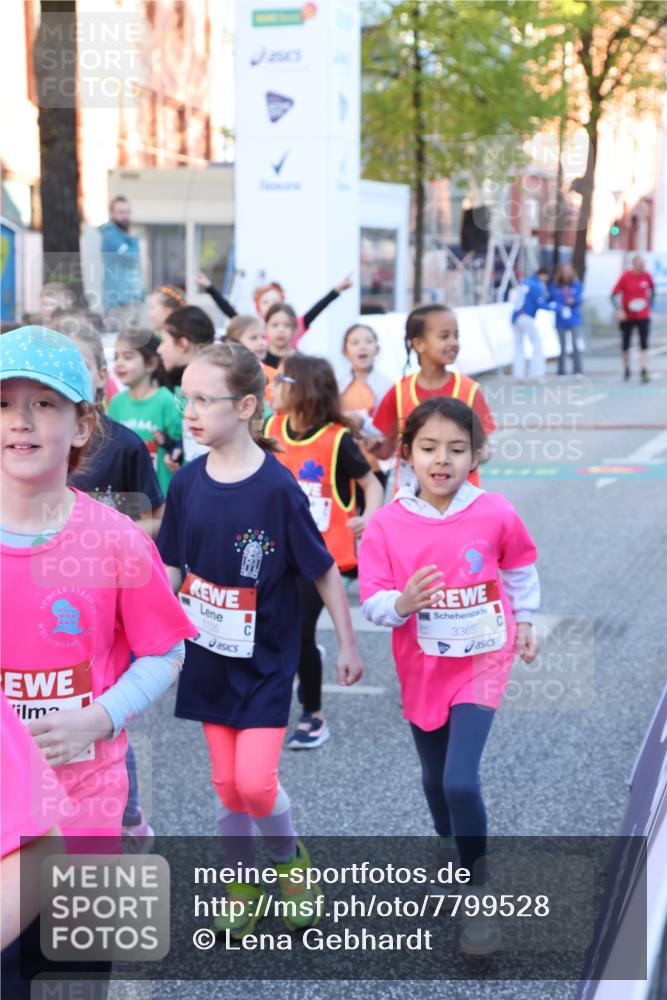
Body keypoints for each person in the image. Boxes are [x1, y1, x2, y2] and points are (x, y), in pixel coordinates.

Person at [156, 340, 363, 937]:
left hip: (269, 658)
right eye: (183, 397)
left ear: (246, 406)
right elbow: (170, 568)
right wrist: (134, 622)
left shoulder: (276, 487)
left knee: (255, 782)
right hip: (208, 657)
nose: (190, 411)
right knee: (225, 784)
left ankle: (291, 863)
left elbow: (322, 567)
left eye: (203, 399)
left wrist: (347, 645)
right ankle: (241, 882)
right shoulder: (188, 484)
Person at [0, 325, 195, 847]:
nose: (19, 421)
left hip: (85, 793)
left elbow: (167, 651)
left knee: (71, 928)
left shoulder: (116, 540)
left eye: (43, 403)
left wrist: (100, 718)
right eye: (2, 404)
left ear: (82, 424)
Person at [358, 396, 540, 955]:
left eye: (457, 449)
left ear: (475, 454)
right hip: (423, 663)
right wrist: (403, 601)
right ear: (406, 455)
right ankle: (448, 845)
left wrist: (526, 621)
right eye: (430, 448)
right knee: (435, 779)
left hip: (484, 656)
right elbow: (373, 602)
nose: (443, 460)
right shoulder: (387, 525)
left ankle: (478, 897)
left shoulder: (495, 511)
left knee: (461, 779)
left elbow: (519, 565)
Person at [265, 355, 383, 749]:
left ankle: (313, 715)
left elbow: (372, 484)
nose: (273, 385)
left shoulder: (336, 438)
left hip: (318, 555)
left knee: (298, 629)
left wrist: (370, 516)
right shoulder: (270, 428)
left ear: (302, 387)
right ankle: (293, 668)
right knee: (275, 628)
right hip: (275, 549)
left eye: (280, 378)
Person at [51, 316, 165, 538]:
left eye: (79, 367)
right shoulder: (22, 439)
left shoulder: (126, 445)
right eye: (54, 369)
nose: (65, 378)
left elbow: (155, 518)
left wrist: (105, 537)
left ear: (102, 376)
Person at [371, 305, 495, 492]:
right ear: (419, 344)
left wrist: (469, 454)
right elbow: (385, 451)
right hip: (412, 499)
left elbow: (484, 449)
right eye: (444, 336)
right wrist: (370, 445)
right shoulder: (398, 392)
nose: (453, 342)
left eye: (456, 336)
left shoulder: (469, 390)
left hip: (461, 498)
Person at [109, 328, 183, 495]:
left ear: (151, 364)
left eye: (127, 357)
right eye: (116, 357)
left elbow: (179, 447)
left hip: (161, 494)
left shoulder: (167, 400)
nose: (119, 363)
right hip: (128, 496)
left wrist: (170, 445)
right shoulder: (116, 403)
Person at [195, 271, 354, 343]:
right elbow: (229, 311)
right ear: (258, 308)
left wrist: (337, 290)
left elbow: (316, 310)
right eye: (265, 302)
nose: (280, 329)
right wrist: (209, 287)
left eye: (275, 301)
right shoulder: (252, 327)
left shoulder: (295, 325)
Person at [156, 305, 216, 466]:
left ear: (183, 344)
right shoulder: (183, 384)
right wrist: (178, 448)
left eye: (164, 341)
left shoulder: (216, 387)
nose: (159, 349)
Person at [338, 322, 393, 488]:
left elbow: (392, 426)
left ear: (377, 349)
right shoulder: (337, 386)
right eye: (355, 343)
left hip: (375, 461)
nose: (362, 347)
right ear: (345, 352)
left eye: (368, 341)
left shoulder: (388, 387)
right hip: (344, 457)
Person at [99, 195, 144, 330]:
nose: (125, 216)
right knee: (123, 344)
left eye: (127, 212)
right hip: (119, 303)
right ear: (112, 214)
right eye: (120, 212)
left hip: (131, 299)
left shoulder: (123, 235)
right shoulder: (111, 236)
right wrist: (134, 238)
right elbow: (133, 257)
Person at [611, 254, 656, 383]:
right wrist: (619, 310)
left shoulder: (647, 276)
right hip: (628, 315)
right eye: (639, 265)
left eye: (643, 265)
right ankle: (626, 368)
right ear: (634, 265)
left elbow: (653, 290)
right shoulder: (625, 277)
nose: (642, 267)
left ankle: (644, 369)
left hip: (643, 315)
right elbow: (613, 295)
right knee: (626, 343)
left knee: (644, 342)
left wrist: (650, 306)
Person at [511, 267, 548, 380]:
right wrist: (557, 308)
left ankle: (518, 374)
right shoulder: (536, 286)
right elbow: (540, 303)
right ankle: (537, 372)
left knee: (518, 346)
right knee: (537, 344)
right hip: (526, 316)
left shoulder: (523, 283)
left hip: (515, 317)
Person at [548, 264, 584, 376]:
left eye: (568, 271)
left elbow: (580, 299)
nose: (566, 274)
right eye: (564, 271)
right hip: (560, 319)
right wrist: (557, 307)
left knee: (575, 344)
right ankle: (561, 371)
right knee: (562, 346)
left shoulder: (576, 285)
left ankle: (577, 370)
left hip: (573, 318)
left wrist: (574, 301)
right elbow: (549, 300)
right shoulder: (555, 286)